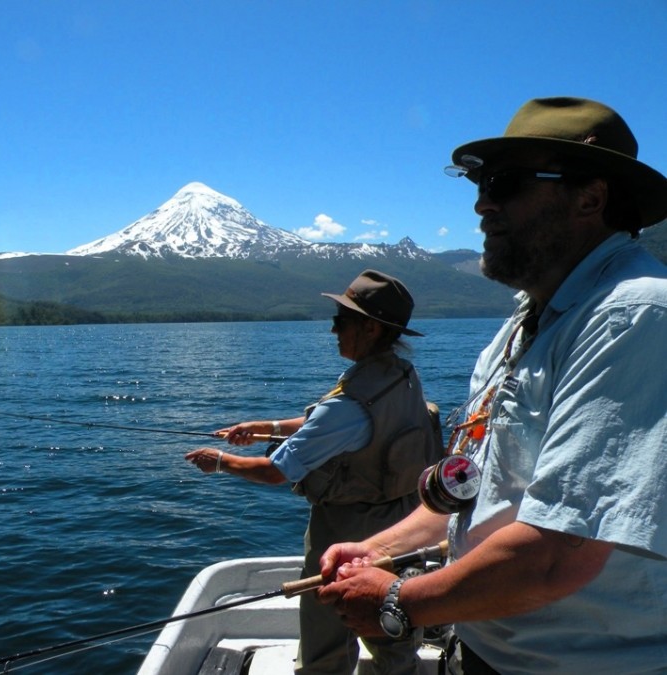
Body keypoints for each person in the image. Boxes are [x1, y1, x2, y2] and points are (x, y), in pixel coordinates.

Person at [315, 97, 667, 674]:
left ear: (590, 197)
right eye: (480, 183)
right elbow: (479, 491)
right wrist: (378, 549)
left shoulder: (633, 316)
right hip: (485, 650)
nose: (482, 203)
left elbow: (558, 554)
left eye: (507, 183)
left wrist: (401, 603)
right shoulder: (524, 324)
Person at [186, 269, 444, 675]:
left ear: (371, 328)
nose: (332, 329)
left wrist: (219, 462)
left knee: (327, 630)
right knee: (390, 631)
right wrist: (264, 427)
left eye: (342, 320)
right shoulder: (400, 375)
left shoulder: (349, 402)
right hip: (404, 523)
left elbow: (275, 471)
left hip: (347, 530)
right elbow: (329, 425)